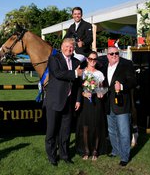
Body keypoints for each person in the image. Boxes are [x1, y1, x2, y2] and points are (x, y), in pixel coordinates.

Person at [43, 37, 83, 166]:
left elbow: (77, 84)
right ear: (61, 47)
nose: (69, 49)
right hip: (55, 101)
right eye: (66, 46)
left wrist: (77, 99)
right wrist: (75, 74)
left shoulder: (77, 62)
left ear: (74, 48)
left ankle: (65, 155)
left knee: (65, 132)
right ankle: (52, 156)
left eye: (71, 47)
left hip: (70, 102)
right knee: (52, 131)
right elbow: (58, 74)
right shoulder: (54, 59)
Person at [99, 46, 137, 167]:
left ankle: (125, 156)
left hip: (122, 104)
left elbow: (133, 82)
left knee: (124, 131)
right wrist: (100, 91)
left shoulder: (126, 65)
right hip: (108, 104)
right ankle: (115, 150)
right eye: (111, 54)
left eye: (116, 53)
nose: (114, 55)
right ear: (107, 56)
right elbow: (103, 84)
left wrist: (121, 87)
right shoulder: (104, 66)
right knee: (112, 130)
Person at [75, 51, 108, 161]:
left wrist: (100, 93)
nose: (92, 61)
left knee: (97, 126)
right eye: (90, 59)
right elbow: (79, 88)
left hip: (96, 103)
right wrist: (83, 93)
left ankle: (95, 150)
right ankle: (86, 150)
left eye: (94, 59)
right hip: (85, 103)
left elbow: (102, 88)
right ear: (87, 59)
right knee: (85, 127)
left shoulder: (99, 73)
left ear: (96, 61)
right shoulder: (83, 72)